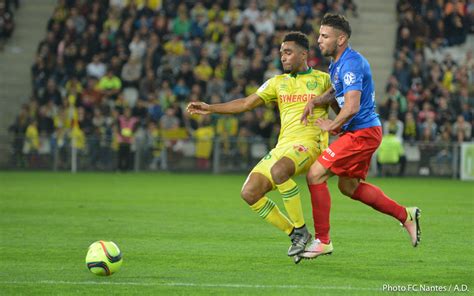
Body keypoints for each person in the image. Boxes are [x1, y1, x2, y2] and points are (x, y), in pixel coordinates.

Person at [187, 32, 332, 257]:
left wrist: (338, 129)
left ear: (304, 54)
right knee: (250, 192)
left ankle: (302, 231)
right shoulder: (277, 82)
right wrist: (210, 107)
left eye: (288, 52)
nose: (283, 57)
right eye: (281, 53)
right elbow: (246, 103)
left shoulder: (324, 80)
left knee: (279, 171)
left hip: (309, 144)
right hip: (283, 146)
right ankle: (293, 232)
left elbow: (344, 112)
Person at [298, 14, 421, 262]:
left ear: (340, 38)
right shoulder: (338, 63)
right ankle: (406, 215)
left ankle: (323, 241)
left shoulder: (352, 63)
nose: (318, 40)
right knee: (348, 186)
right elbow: (336, 90)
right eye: (319, 35)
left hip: (362, 133)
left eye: (324, 36)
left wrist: (331, 124)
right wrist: (316, 100)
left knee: (315, 174)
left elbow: (352, 106)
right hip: (362, 132)